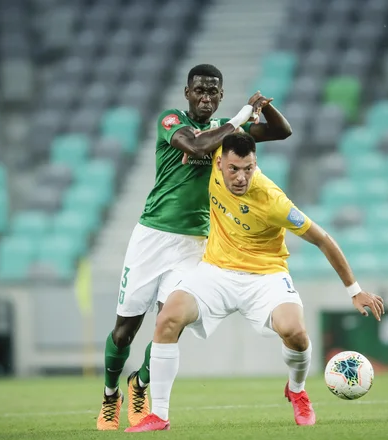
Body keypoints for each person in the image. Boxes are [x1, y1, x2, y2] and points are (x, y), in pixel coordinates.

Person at [125, 132, 385, 432]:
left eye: (248, 168)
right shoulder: (211, 160)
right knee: (167, 318)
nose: (240, 177)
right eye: (234, 169)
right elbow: (195, 139)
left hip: (266, 275)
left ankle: (297, 390)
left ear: (255, 163)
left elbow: (323, 240)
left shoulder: (273, 201)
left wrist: (355, 291)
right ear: (219, 163)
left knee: (295, 332)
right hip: (216, 272)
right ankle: (159, 415)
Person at [97, 64, 293, 431]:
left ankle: (139, 384)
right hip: (151, 238)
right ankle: (110, 396)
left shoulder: (227, 128)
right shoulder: (172, 120)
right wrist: (241, 115)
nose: (205, 97)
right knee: (125, 331)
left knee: (170, 322)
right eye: (199, 90)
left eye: (213, 91)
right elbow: (198, 144)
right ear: (187, 93)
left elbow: (282, 131)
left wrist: (263, 108)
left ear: (220, 95)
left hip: (195, 243)